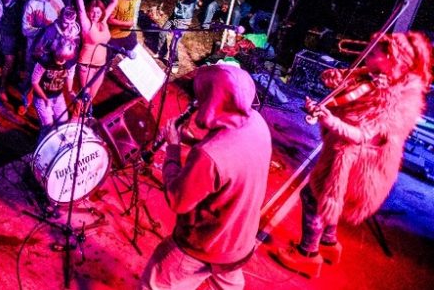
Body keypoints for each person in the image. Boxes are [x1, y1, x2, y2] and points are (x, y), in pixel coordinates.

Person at [272, 32, 432, 278]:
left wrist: (329, 119)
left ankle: (307, 255)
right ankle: (328, 243)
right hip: (349, 156)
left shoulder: (397, 100)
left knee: (315, 197)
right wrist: (333, 79)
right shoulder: (375, 75)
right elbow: (341, 85)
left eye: (374, 53)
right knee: (334, 199)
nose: (367, 55)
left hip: (359, 163)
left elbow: (360, 135)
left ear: (392, 59)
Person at [140, 63, 272, 289]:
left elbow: (178, 200)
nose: (197, 103)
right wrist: (193, 141)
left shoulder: (209, 156)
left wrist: (173, 148)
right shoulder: (257, 123)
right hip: (238, 244)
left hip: (204, 246)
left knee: (154, 284)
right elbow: (231, 158)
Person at [72, 0, 118, 106]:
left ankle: (85, 116)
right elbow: (81, 10)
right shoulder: (87, 24)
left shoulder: (103, 21)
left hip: (101, 66)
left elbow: (114, 2)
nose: (95, 14)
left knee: (91, 97)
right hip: (86, 66)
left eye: (98, 12)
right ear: (89, 12)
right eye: (92, 11)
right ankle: (76, 116)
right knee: (85, 96)